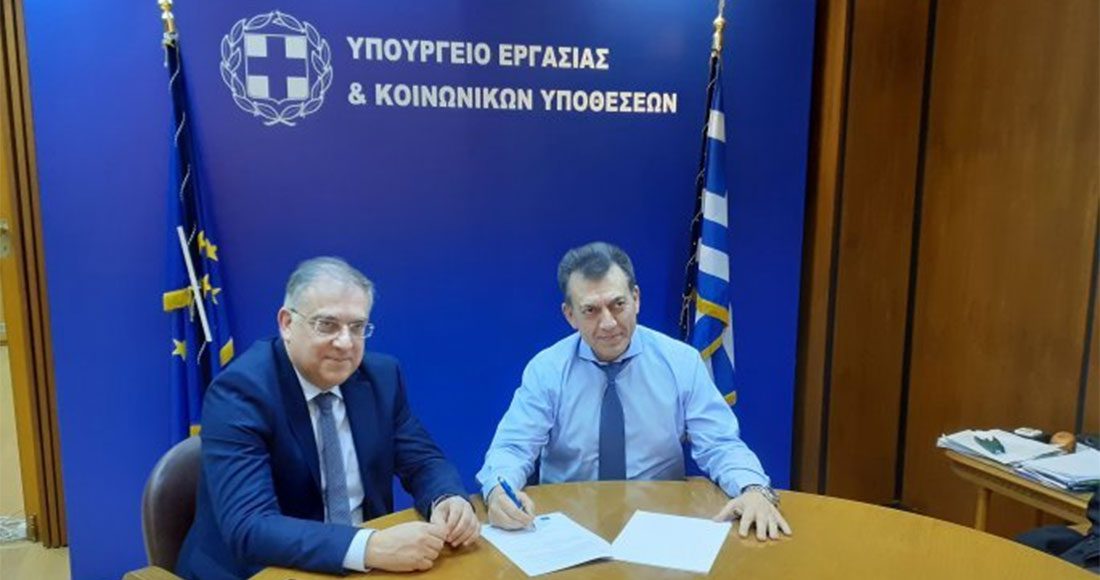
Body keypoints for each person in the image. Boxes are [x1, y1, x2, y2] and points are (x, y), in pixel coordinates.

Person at [177, 257, 478, 579]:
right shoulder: (240, 393)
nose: (346, 343)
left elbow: (423, 461)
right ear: (286, 324)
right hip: (263, 570)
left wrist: (446, 497)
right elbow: (250, 526)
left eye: (357, 327)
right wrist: (369, 546)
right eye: (327, 325)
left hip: (367, 566)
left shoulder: (381, 377)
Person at [476, 242, 791, 541]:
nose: (608, 323)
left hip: (660, 527)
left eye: (618, 305)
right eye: (591, 310)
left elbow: (720, 444)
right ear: (570, 315)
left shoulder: (681, 362)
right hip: (568, 528)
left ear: (636, 299)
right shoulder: (547, 370)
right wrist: (499, 492)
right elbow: (513, 448)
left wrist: (753, 489)